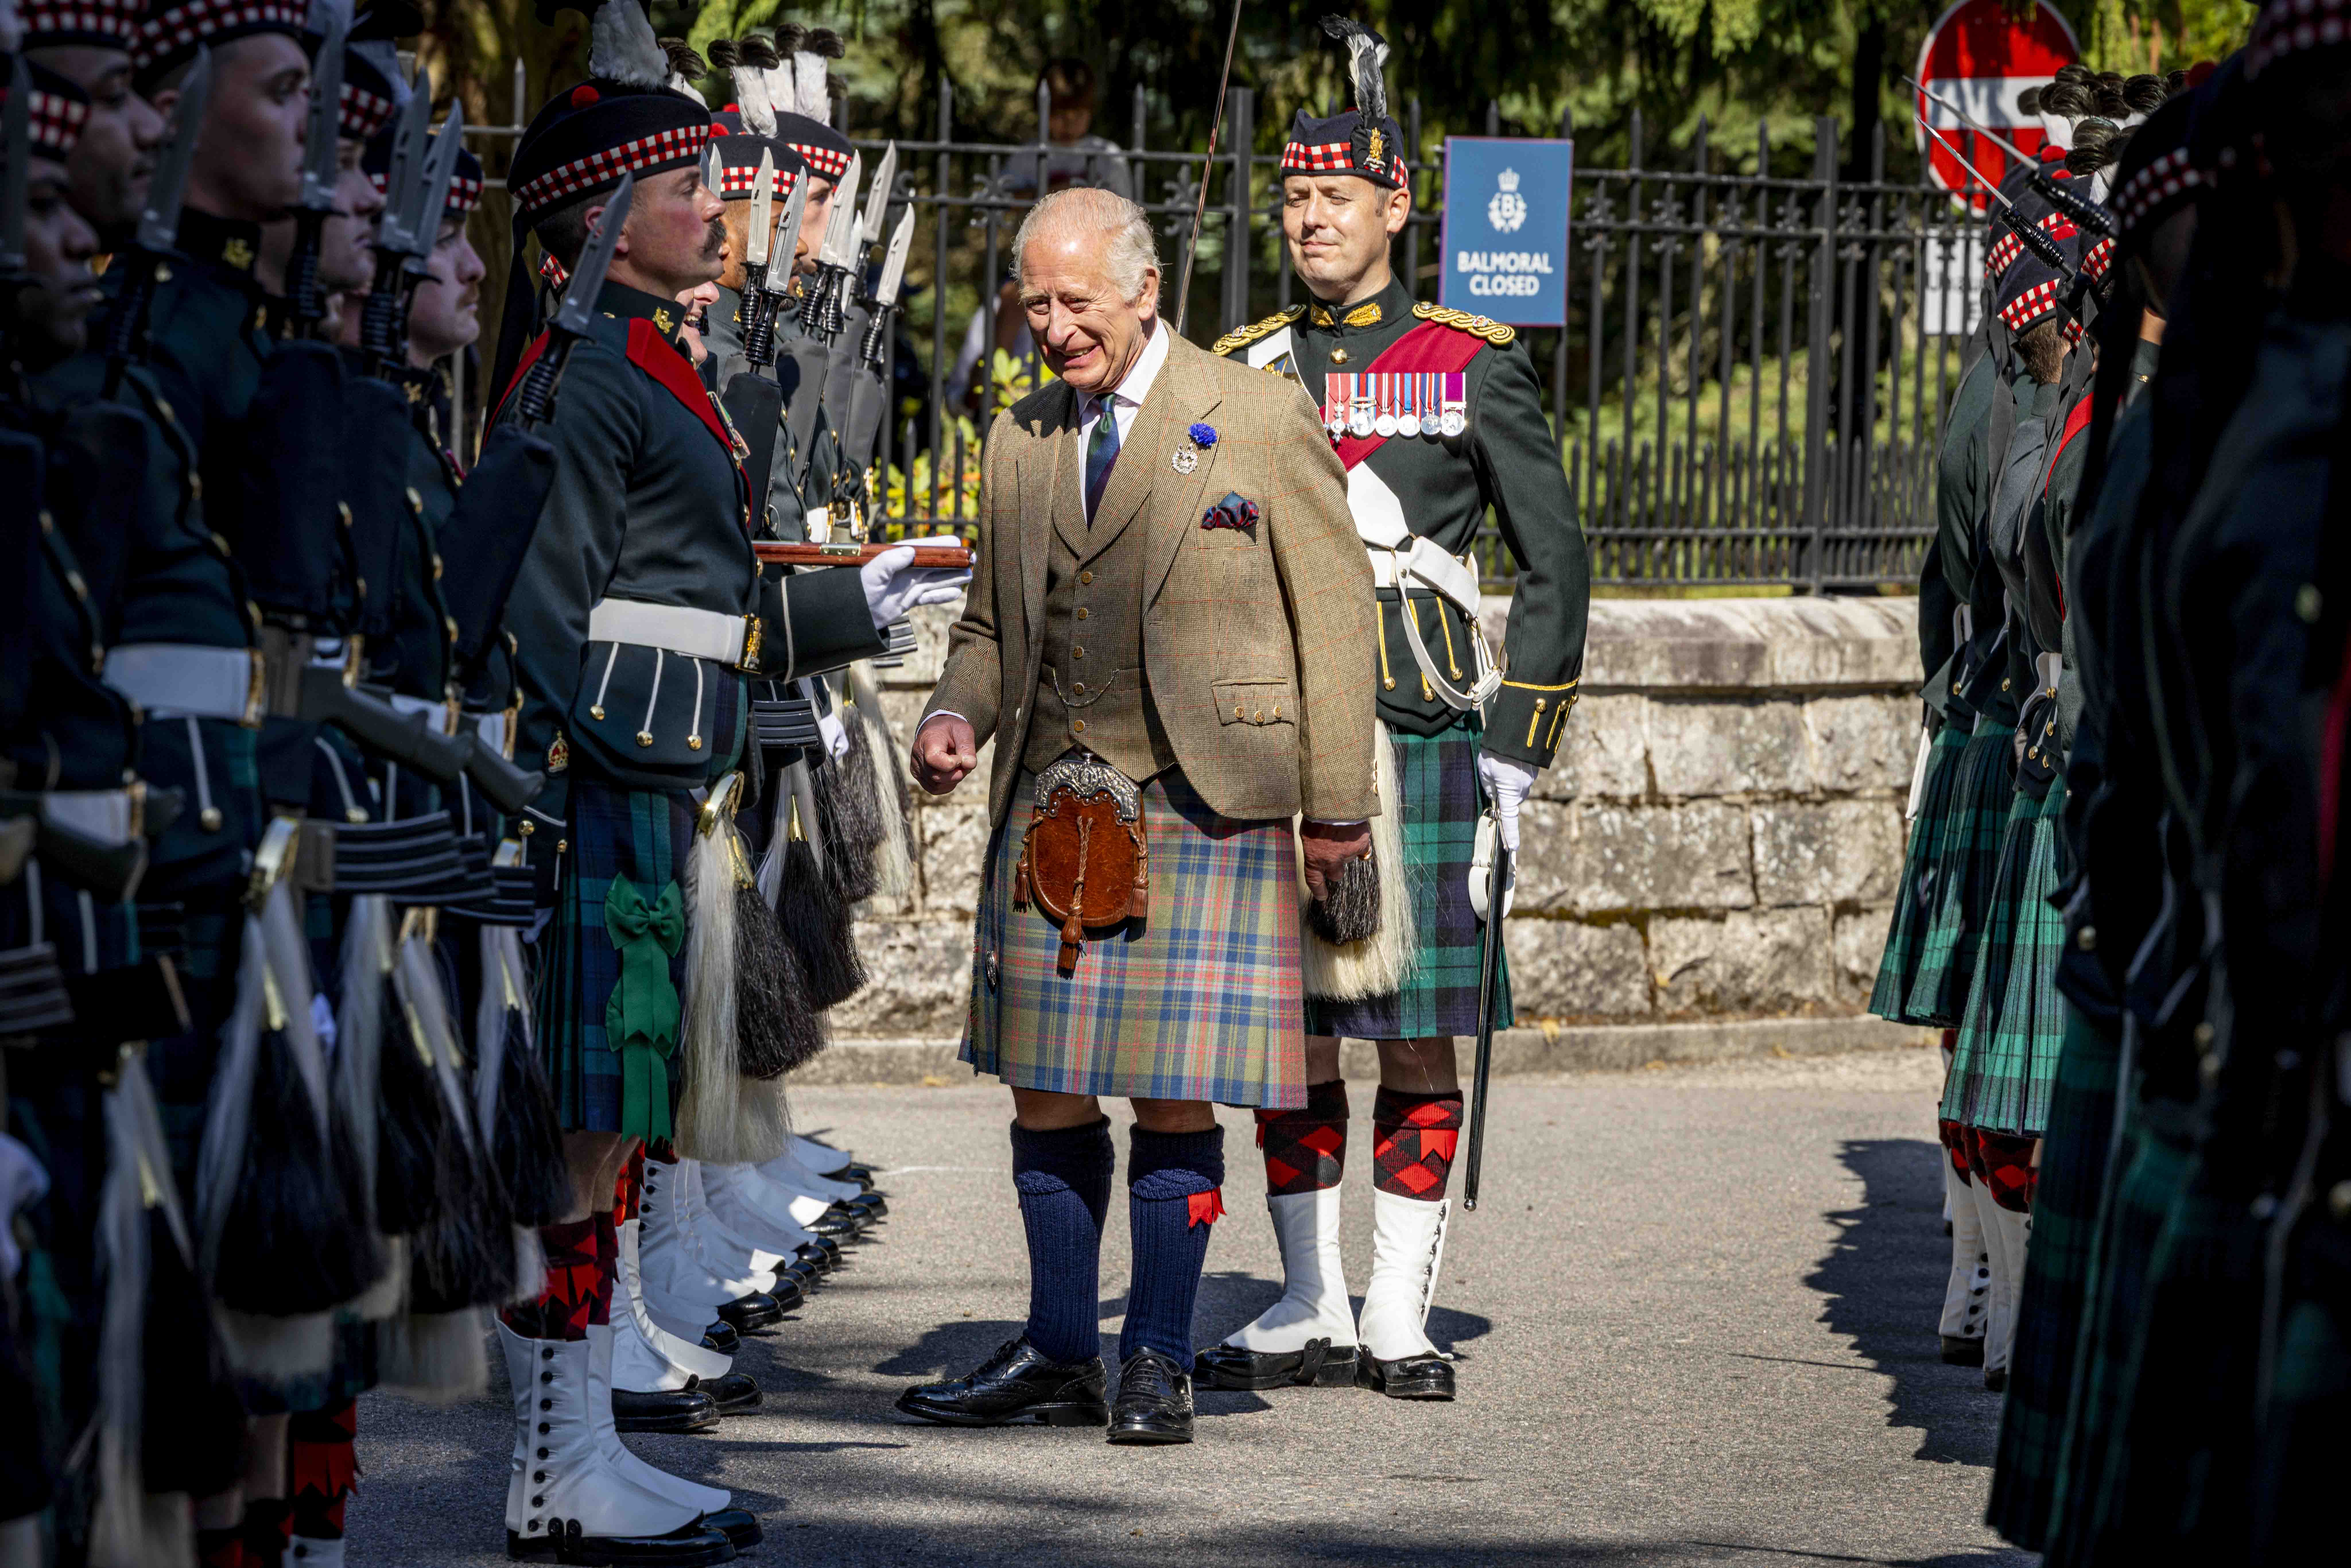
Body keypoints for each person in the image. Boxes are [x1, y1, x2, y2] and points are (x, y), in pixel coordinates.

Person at [481, 0, 951, 1554]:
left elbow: (693, 592)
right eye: (685, 188)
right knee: (585, 1135)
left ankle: (581, 1450)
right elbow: (555, 626)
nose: (715, 207)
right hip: (613, 789)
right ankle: (557, 1465)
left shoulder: (650, 363)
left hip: (661, 774)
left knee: (615, 1129)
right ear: (612, 224)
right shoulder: (588, 379)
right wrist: (662, 749)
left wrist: (840, 606)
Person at [895, 185, 1379, 1445]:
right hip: (1051, 814)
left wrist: (1334, 816)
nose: (1051, 328)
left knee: (1174, 1097)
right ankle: (1060, 1350)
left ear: (1144, 289)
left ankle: (1156, 1354)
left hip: (1204, 805)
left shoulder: (1257, 416)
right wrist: (957, 713)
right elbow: (993, 629)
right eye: (1034, 303)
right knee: (1042, 1091)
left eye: (1076, 303)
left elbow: (1335, 624)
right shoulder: (1015, 438)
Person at [1191, 15, 1590, 1403]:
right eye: (1293, 197)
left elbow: (1556, 560)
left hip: (1418, 731)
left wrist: (1513, 754)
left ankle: (1397, 1310)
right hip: (1275, 733)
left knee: (1412, 1030)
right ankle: (1303, 1295)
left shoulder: (1473, 358)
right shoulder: (1241, 361)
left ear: (1394, 207)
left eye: (1334, 197)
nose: (1309, 219)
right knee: (1290, 1027)